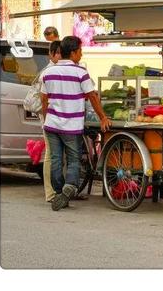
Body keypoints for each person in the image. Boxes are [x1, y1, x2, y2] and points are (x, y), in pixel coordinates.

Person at [40, 36, 111, 211]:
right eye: (80, 51)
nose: (81, 54)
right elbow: (93, 96)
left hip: (52, 124)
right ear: (72, 52)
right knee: (73, 160)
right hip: (71, 126)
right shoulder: (80, 72)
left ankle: (58, 193)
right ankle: (69, 188)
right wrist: (102, 117)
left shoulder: (48, 73)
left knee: (56, 159)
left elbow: (43, 99)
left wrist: (47, 116)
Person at [39, 40, 61, 203]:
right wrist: (47, 119)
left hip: (59, 118)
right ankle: (50, 192)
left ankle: (58, 189)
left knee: (57, 155)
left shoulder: (59, 69)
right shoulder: (47, 72)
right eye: (58, 53)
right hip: (49, 118)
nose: (61, 56)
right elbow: (44, 99)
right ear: (51, 54)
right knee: (51, 154)